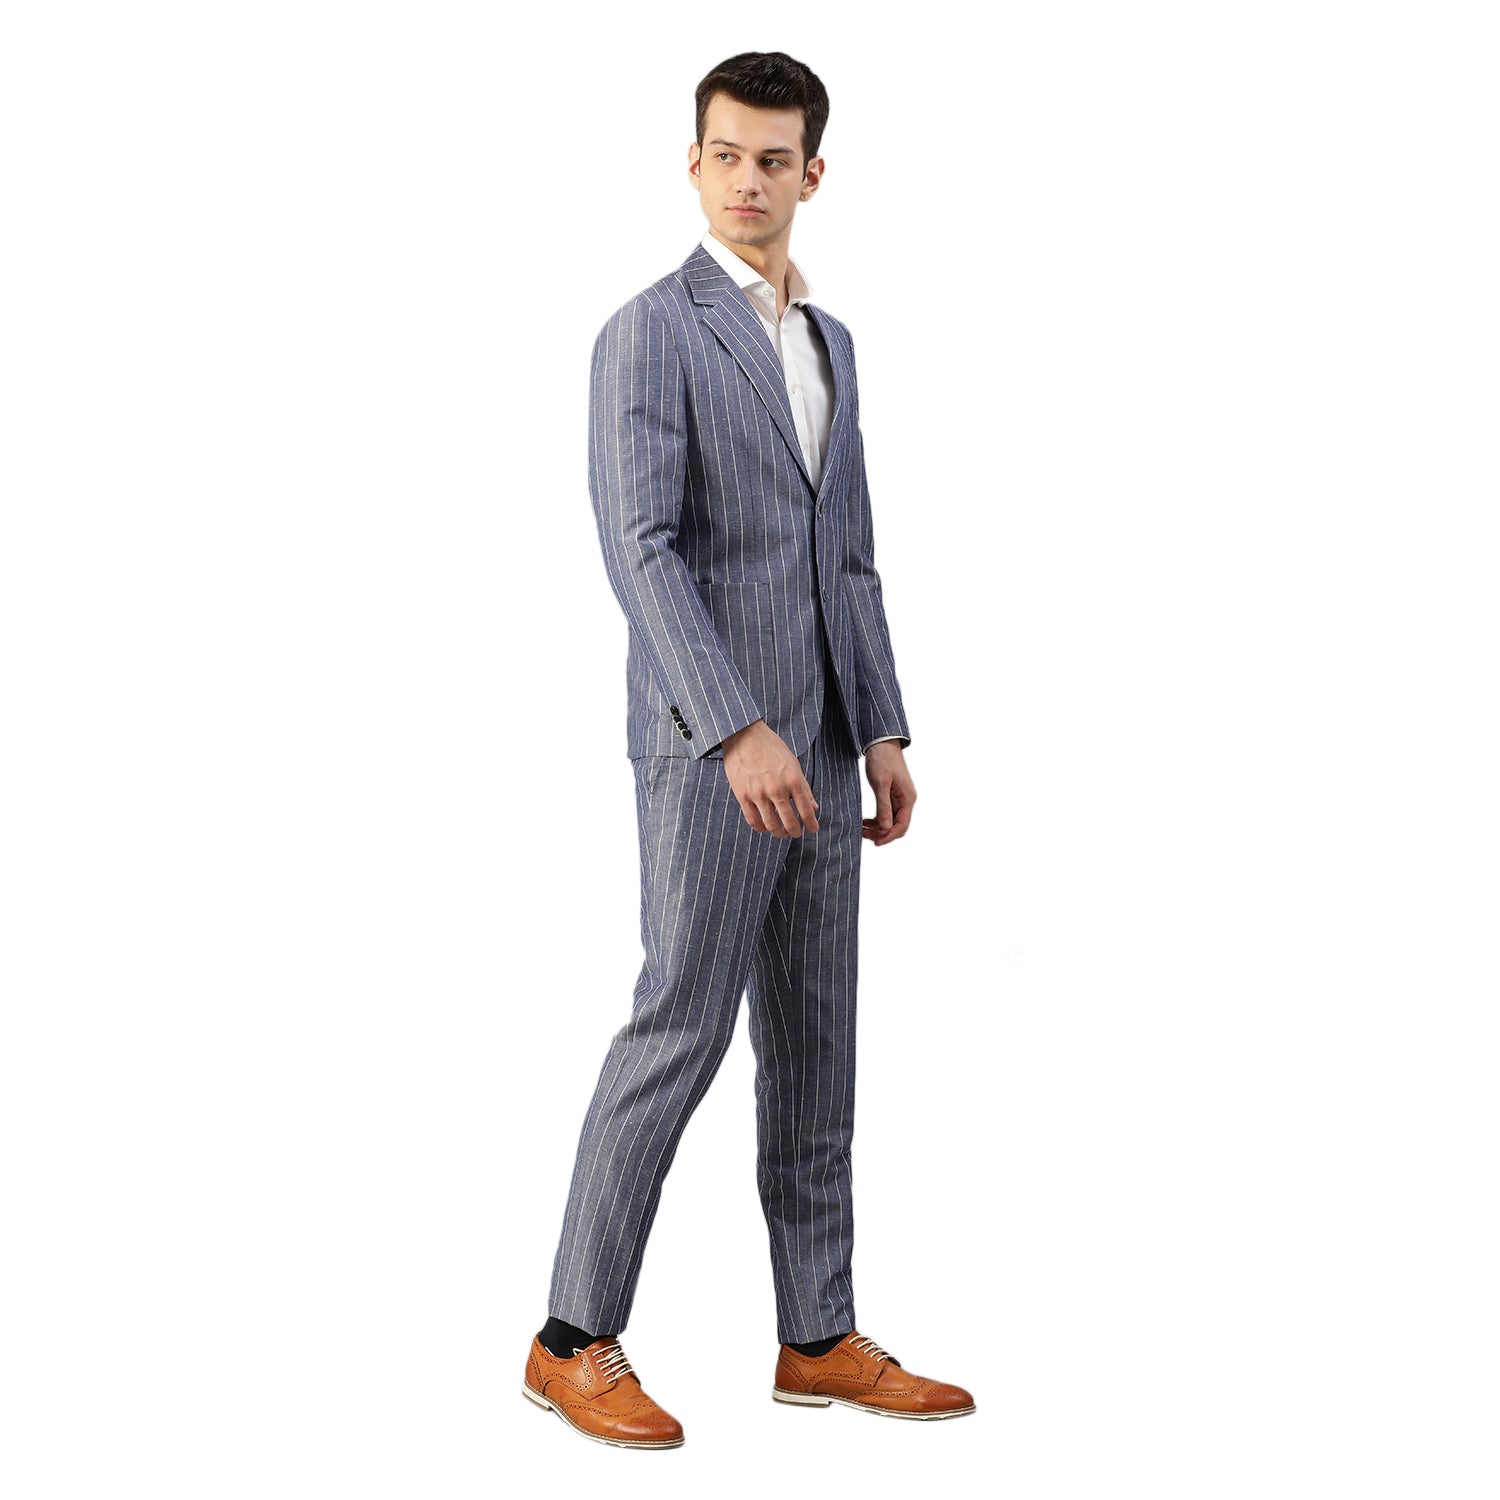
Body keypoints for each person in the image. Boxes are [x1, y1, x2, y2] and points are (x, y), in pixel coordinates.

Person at [522, 51, 975, 1449]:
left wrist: (881, 723)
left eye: (774, 159)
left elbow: (851, 555)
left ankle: (817, 1334)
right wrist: (735, 725)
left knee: (819, 1044)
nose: (747, 180)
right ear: (694, 164)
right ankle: (569, 1339)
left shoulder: (833, 345)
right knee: (680, 1026)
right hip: (712, 752)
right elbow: (641, 548)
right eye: (725, 155)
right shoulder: (648, 333)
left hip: (828, 753)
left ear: (811, 174)